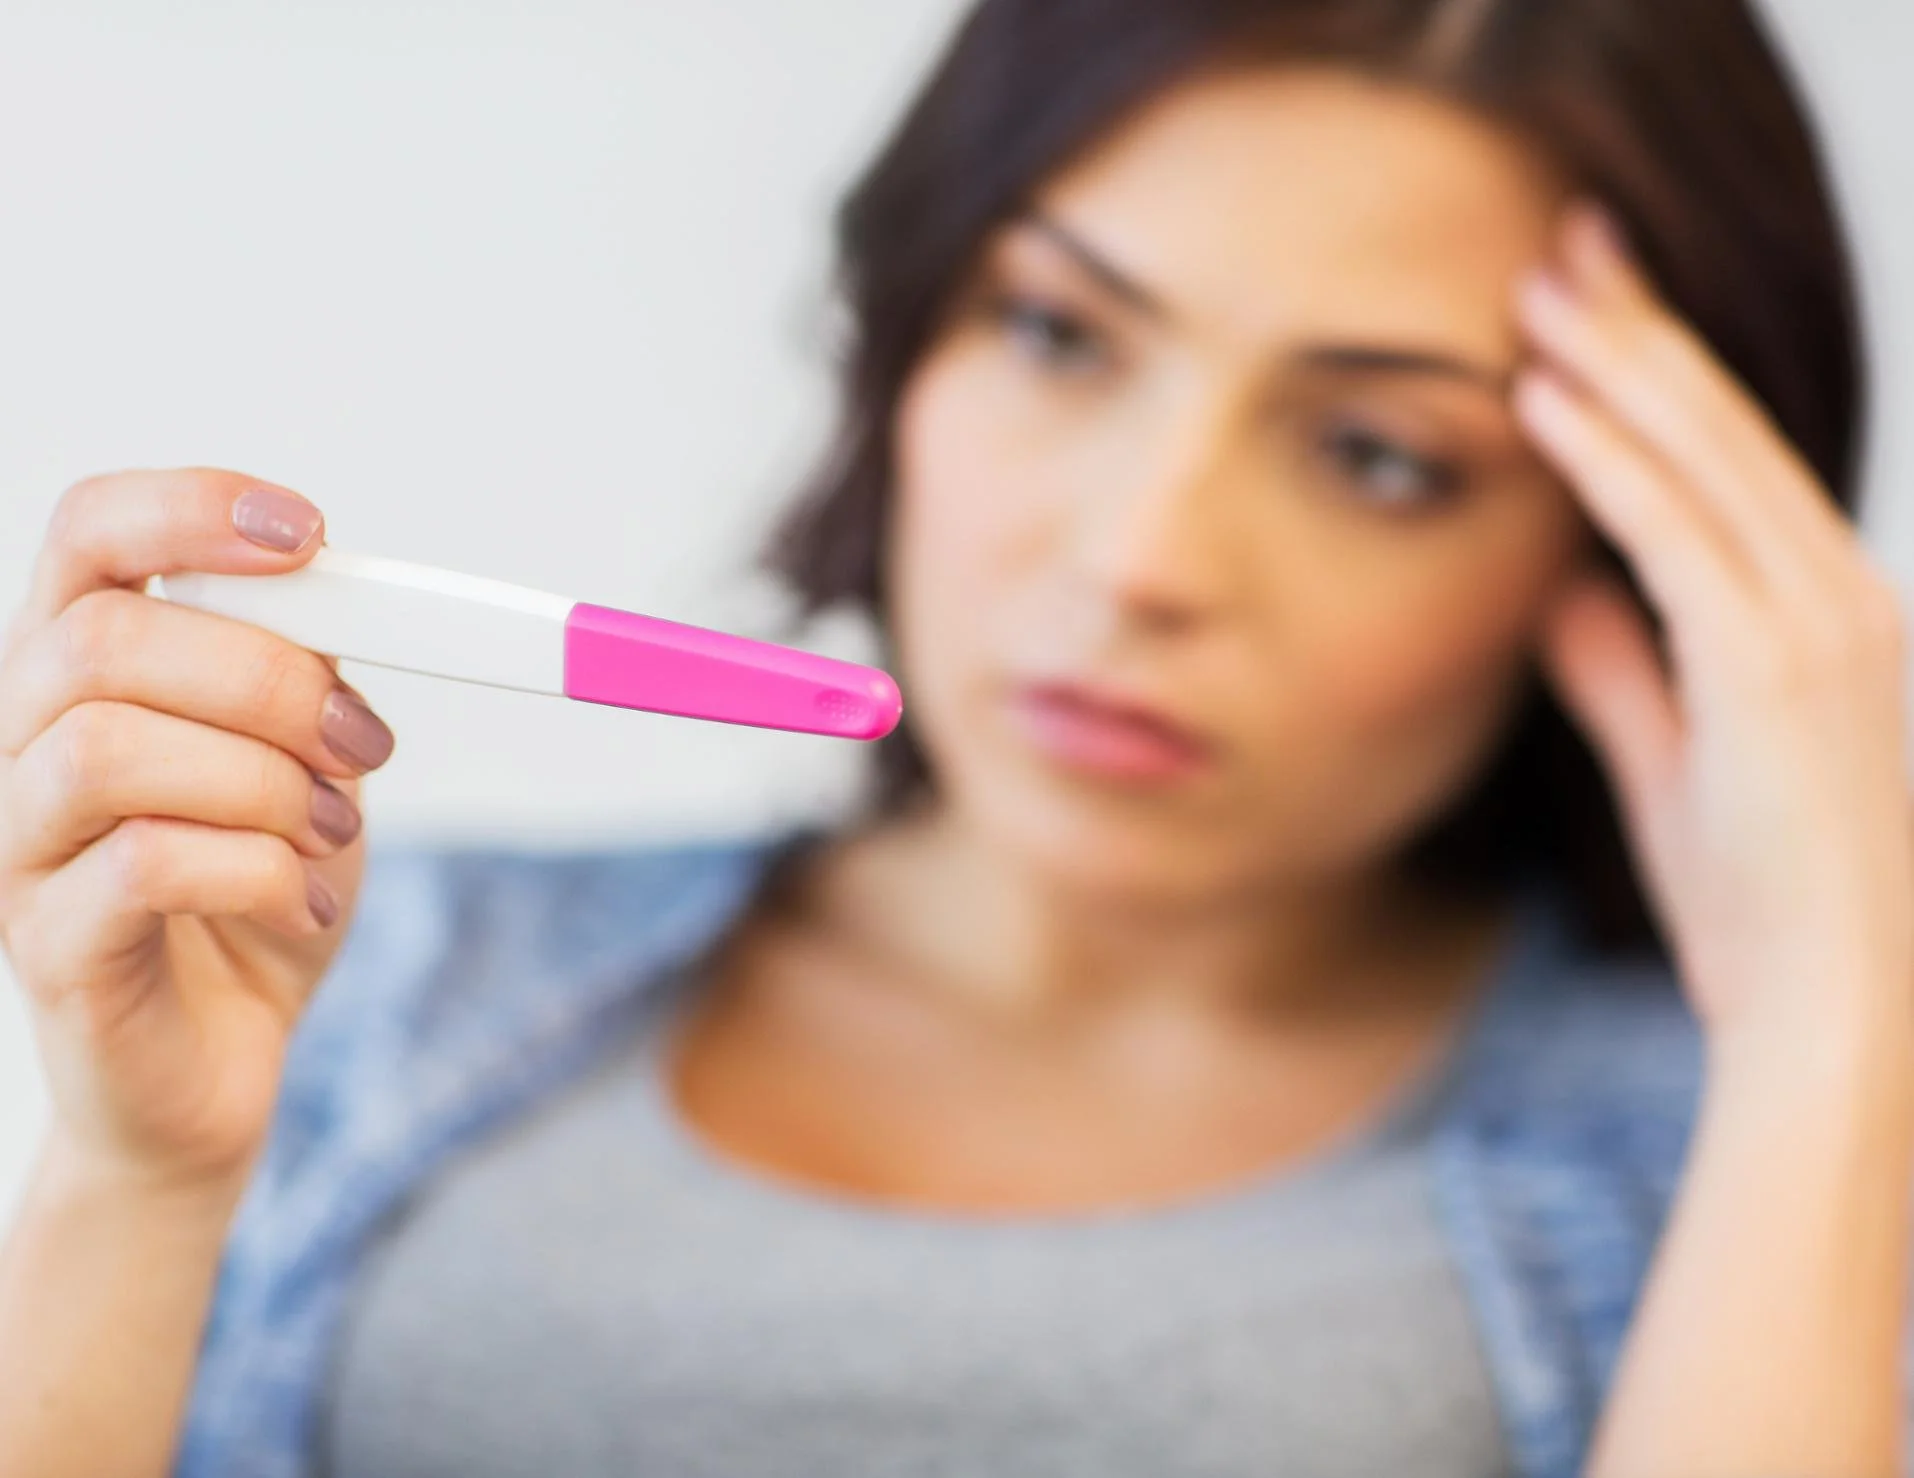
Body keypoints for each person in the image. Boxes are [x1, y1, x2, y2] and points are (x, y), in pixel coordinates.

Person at [2, 0, 1910, 1474]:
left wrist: (1830, 1010)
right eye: (1063, 336)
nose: (1140, 556)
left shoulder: (1762, 1157)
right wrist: (129, 1183)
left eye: (1376, 455)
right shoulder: (349, 968)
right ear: (908, 331)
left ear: (1633, 560)